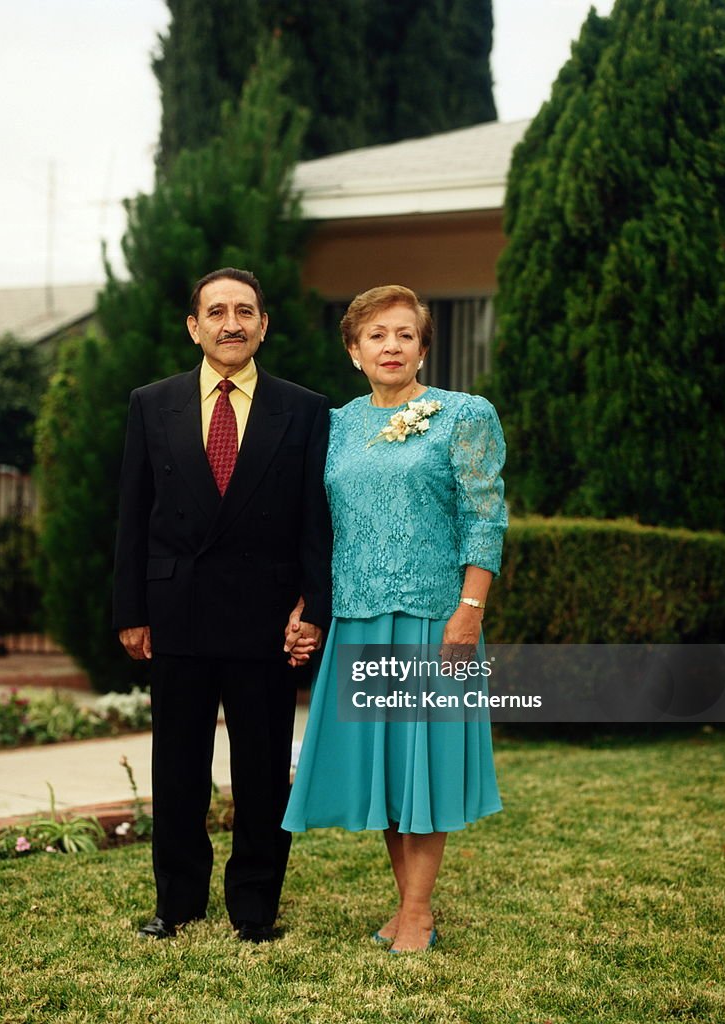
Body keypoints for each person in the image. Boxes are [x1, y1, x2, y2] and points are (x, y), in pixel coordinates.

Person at [282, 284, 507, 952]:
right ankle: (404, 904)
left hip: (433, 618)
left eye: (405, 334)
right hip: (357, 617)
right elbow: (318, 527)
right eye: (376, 334)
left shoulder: (463, 415)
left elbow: (485, 517)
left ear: (422, 348)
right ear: (354, 350)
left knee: (425, 765)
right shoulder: (337, 426)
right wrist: (308, 605)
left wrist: (469, 611)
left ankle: (419, 911)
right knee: (386, 769)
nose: (391, 345)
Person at [113, 267, 331, 942]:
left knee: (263, 768)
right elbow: (131, 514)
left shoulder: (305, 409)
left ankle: (255, 906)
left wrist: (315, 608)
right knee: (177, 765)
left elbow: (318, 524)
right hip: (176, 609)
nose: (231, 323)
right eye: (217, 311)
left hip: (266, 617)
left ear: (263, 324)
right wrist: (130, 610)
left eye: (245, 311)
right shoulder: (153, 404)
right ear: (194, 326)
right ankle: (176, 901)